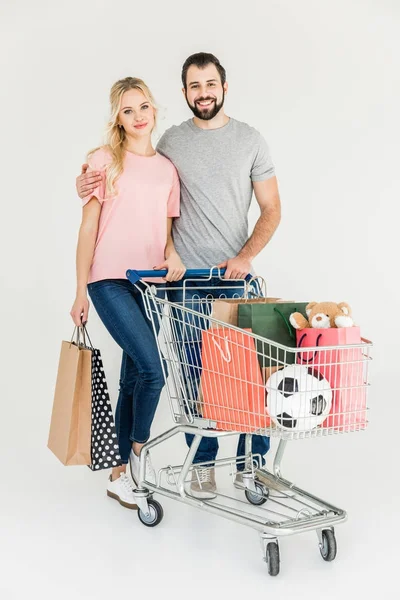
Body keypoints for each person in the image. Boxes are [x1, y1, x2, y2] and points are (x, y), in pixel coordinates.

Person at [76, 53, 281, 500]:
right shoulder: (169, 143)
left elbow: (272, 209)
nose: (203, 92)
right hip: (180, 284)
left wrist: (245, 256)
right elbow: (124, 174)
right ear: (184, 93)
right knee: (188, 375)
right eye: (194, 85)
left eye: (210, 84)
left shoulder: (250, 140)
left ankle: (251, 464)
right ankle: (198, 465)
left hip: (230, 280)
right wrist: (84, 180)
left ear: (224, 87)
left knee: (247, 374)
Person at [70, 76, 185, 510]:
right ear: (117, 119)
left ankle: (118, 473)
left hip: (150, 283)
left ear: (155, 110)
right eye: (127, 110)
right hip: (108, 280)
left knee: (134, 376)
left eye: (143, 107)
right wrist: (80, 290)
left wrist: (172, 256)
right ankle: (139, 454)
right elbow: (87, 227)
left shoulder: (167, 169)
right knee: (155, 371)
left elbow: (166, 232)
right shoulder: (103, 161)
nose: (138, 117)